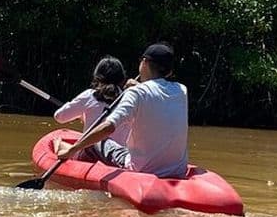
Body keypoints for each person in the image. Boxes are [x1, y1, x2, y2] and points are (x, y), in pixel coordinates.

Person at [55, 42, 188, 178]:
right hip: (177, 171)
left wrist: (73, 148)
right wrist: (138, 87)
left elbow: (108, 128)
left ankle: (72, 158)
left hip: (141, 169)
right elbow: (157, 96)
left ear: (144, 62)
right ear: (170, 71)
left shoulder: (136, 93)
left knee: (98, 141)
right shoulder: (182, 91)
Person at [53, 56, 131, 145]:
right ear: (122, 78)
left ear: (97, 77)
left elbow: (59, 117)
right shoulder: (130, 99)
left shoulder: (89, 95)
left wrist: (81, 115)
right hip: (117, 155)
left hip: (91, 153)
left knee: (57, 142)